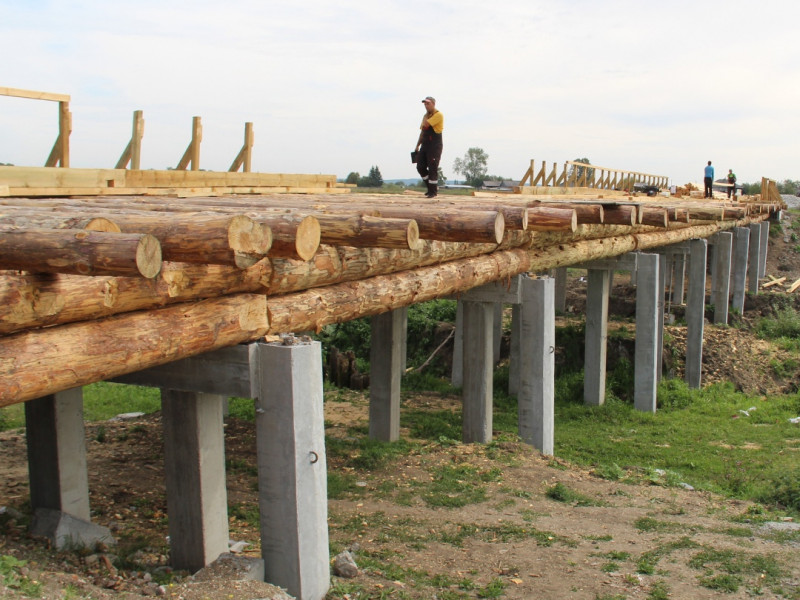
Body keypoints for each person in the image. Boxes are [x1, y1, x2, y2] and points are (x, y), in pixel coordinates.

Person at [415, 96, 443, 198]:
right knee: (420, 166)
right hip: (425, 144)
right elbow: (423, 131)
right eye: (425, 104)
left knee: (432, 167)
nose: (426, 106)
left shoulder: (438, 115)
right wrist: (417, 145)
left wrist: (426, 117)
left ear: (433, 104)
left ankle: (433, 192)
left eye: (428, 104)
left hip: (434, 145)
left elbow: (426, 125)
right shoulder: (425, 116)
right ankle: (431, 188)